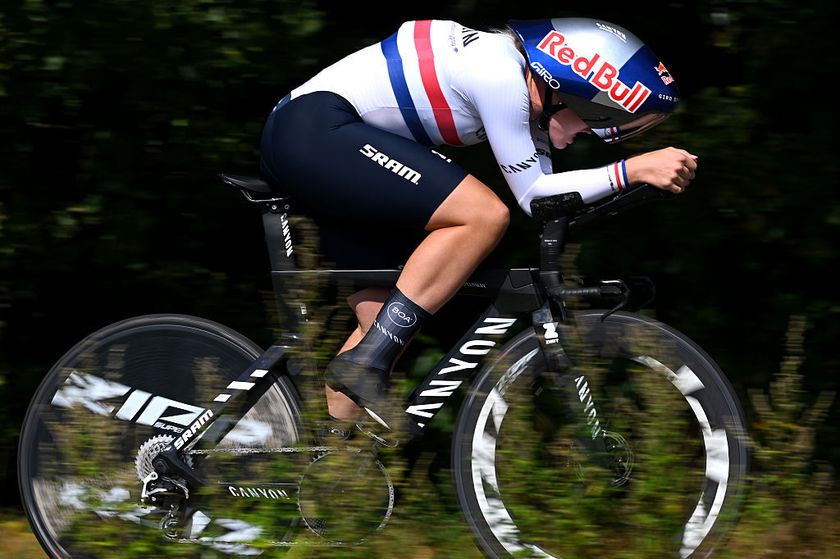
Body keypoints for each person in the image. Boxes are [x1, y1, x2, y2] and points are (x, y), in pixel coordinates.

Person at [259, 17, 698, 431]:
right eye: (598, 122)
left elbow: (549, 201)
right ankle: (363, 364)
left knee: (383, 325)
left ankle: (321, 470)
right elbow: (530, 196)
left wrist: (630, 189)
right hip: (313, 128)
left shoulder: (520, 87)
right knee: (482, 214)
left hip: (328, 144)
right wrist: (632, 170)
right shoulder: (497, 71)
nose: (591, 135)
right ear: (572, 90)